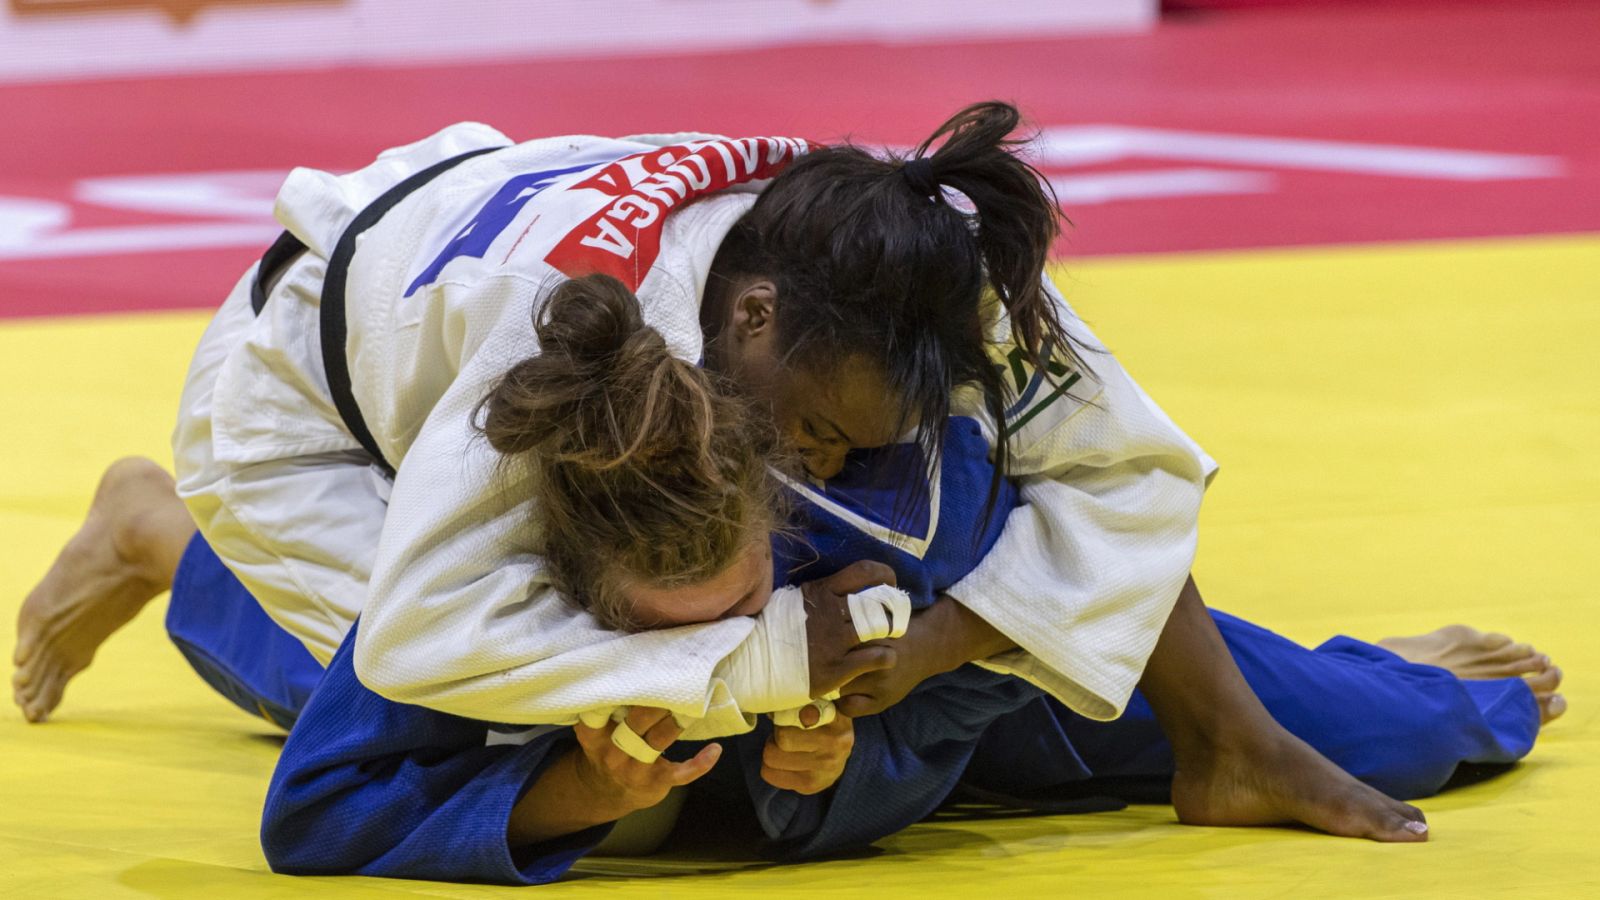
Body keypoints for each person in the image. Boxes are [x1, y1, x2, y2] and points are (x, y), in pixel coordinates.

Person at [12, 104, 1566, 845]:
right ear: (746, 320)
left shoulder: (920, 272)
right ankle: (169, 538)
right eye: (816, 432)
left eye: (851, 447)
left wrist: (955, 645)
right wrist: (764, 662)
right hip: (310, 395)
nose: (824, 469)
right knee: (482, 715)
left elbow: (1136, 476)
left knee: (843, 603)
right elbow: (425, 636)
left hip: (481, 241)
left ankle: (1254, 720)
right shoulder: (561, 333)